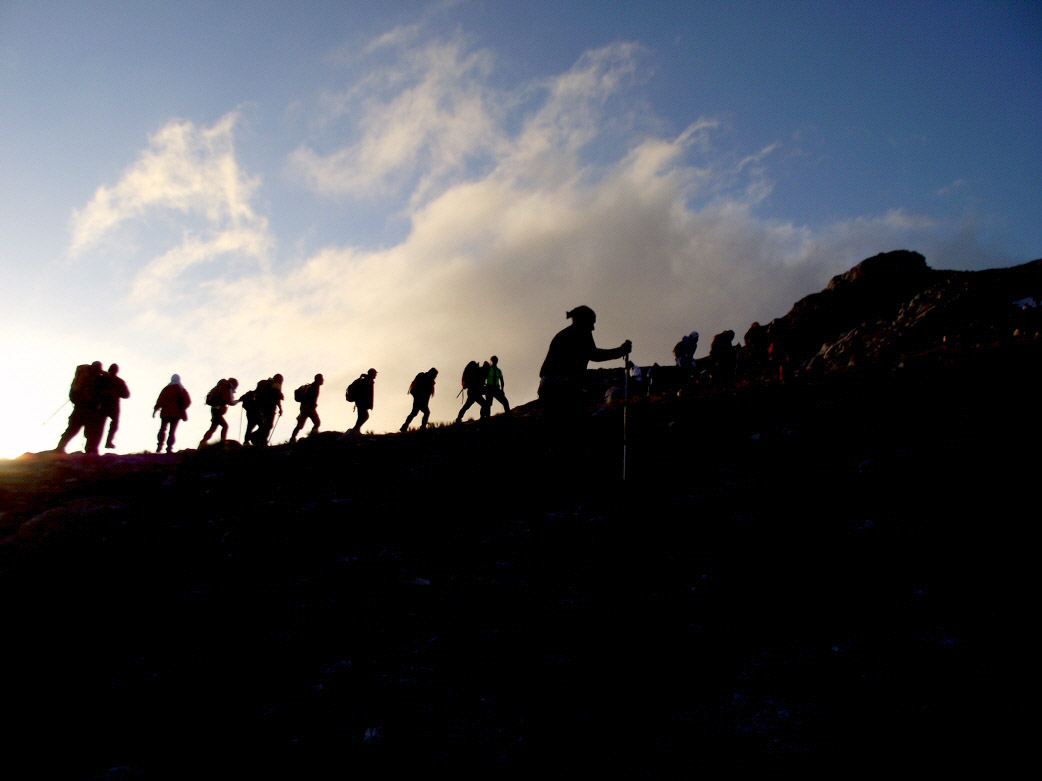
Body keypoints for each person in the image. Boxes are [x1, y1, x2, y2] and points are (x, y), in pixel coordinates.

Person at [538, 305, 632, 425]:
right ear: (583, 321)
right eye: (591, 323)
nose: (593, 328)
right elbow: (595, 355)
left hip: (550, 385)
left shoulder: (566, 334)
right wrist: (621, 351)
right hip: (561, 385)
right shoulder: (579, 333)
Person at [55, 361, 107, 454]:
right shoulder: (85, 377)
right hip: (84, 407)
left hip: (83, 407)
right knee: (76, 429)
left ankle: (61, 447)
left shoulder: (83, 374)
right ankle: (89, 450)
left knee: (75, 429)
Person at [154, 374, 191, 453]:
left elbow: (160, 400)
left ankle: (159, 447)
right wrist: (182, 408)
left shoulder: (166, 389)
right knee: (172, 431)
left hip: (165, 413)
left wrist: (155, 410)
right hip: (176, 414)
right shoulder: (181, 389)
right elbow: (188, 401)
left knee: (162, 429)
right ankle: (169, 448)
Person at [199, 377, 240, 447]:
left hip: (214, 410)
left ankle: (202, 443)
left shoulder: (221, 387)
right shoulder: (228, 388)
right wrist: (239, 400)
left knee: (213, 428)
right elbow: (231, 402)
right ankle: (222, 442)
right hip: (217, 411)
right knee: (225, 426)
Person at [98, 363, 130, 450]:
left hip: (103, 405)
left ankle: (95, 446)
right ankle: (108, 443)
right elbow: (126, 395)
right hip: (112, 405)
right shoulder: (119, 381)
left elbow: (126, 395)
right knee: (113, 425)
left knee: (100, 426)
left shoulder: (101, 379)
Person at [252, 374, 284, 446]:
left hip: (263, 407)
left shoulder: (268, 384)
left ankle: (260, 439)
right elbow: (277, 398)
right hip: (270, 408)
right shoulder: (276, 385)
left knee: (266, 425)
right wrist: (280, 408)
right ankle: (259, 439)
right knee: (268, 425)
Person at [290, 373, 324, 442]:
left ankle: (293, 438)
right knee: (316, 422)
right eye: (321, 379)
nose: (323, 380)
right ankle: (312, 435)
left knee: (301, 425)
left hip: (305, 408)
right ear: (318, 379)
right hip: (308, 408)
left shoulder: (312, 386)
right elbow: (311, 398)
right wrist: (313, 404)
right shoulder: (314, 387)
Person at [346, 368, 377, 435]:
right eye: (375, 374)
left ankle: (356, 430)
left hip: (360, 402)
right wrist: (367, 403)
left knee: (361, 417)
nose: (375, 375)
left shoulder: (367, 380)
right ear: (371, 373)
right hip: (362, 402)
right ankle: (355, 430)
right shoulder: (367, 381)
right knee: (365, 416)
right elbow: (366, 393)